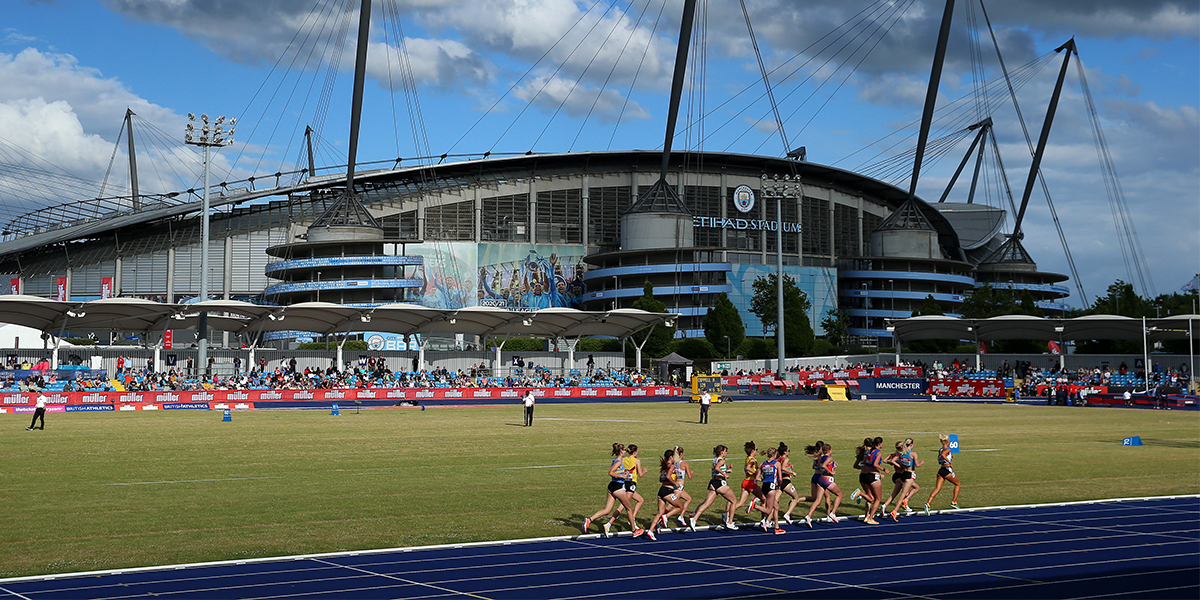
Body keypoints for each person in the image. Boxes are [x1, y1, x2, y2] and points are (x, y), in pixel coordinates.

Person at [583, 443, 642, 538]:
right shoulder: (618, 461)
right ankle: (634, 530)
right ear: (621, 451)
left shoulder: (617, 460)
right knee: (629, 509)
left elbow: (617, 470)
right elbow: (610, 472)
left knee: (607, 510)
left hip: (612, 486)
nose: (625, 452)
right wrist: (622, 476)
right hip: (618, 488)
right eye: (624, 450)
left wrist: (624, 473)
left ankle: (589, 520)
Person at [688, 444, 739, 530]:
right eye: (726, 451)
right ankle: (730, 522)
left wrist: (727, 470)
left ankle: (694, 519)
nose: (726, 453)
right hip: (720, 484)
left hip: (713, 483)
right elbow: (717, 468)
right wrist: (724, 474)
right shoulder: (722, 460)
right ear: (722, 452)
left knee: (706, 504)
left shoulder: (715, 459)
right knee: (734, 501)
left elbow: (716, 469)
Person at [801, 441, 843, 528]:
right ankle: (832, 513)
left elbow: (821, 466)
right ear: (829, 450)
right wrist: (831, 471)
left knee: (818, 500)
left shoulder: (821, 458)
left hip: (820, 480)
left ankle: (808, 516)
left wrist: (832, 465)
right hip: (827, 480)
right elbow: (824, 466)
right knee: (839, 495)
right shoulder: (829, 458)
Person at [850, 437, 885, 524]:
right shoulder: (872, 453)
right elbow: (873, 465)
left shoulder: (862, 453)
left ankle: (866, 516)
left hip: (862, 475)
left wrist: (862, 468)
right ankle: (860, 494)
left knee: (870, 498)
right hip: (872, 476)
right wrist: (881, 472)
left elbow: (855, 465)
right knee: (876, 499)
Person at [925, 433, 961, 514]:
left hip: (941, 470)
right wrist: (949, 462)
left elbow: (939, 460)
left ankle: (928, 504)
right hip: (947, 470)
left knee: (937, 489)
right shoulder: (947, 450)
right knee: (957, 484)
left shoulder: (940, 449)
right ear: (948, 442)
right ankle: (954, 502)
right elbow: (943, 455)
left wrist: (949, 457)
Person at [755, 447, 785, 534]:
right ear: (774, 454)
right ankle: (754, 506)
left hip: (764, 486)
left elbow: (757, 478)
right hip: (771, 487)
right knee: (769, 509)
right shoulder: (777, 463)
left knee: (776, 507)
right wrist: (779, 485)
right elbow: (780, 478)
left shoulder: (763, 464)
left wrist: (764, 480)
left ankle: (777, 527)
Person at [733, 441, 765, 518]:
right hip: (751, 483)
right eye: (756, 449)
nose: (757, 451)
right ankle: (763, 519)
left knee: (741, 503)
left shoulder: (748, 458)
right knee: (764, 498)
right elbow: (748, 468)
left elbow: (749, 468)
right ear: (753, 450)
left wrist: (758, 468)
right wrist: (756, 473)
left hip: (745, 482)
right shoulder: (753, 460)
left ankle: (727, 514)